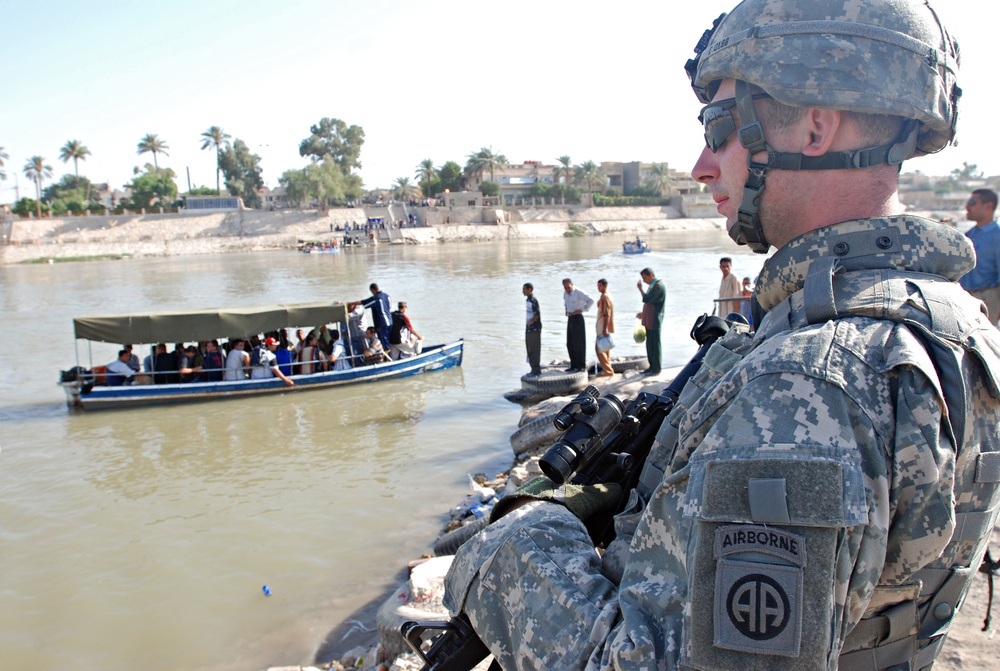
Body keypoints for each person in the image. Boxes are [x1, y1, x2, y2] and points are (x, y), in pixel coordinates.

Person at [443, 3, 1000, 671]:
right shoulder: (955, 322)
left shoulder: (809, 380)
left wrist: (518, 541)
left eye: (720, 129)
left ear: (815, 127)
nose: (703, 165)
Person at [959, 188, 1000, 324]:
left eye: (972, 202)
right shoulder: (969, 235)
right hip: (966, 298)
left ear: (988, 206)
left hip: (988, 300)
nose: (967, 207)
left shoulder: (997, 236)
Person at [635, 266, 665, 375]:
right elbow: (650, 304)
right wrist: (643, 314)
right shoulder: (652, 286)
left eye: (645, 278)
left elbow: (646, 299)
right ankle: (651, 366)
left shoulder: (658, 286)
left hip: (654, 320)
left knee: (655, 344)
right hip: (649, 320)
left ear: (651, 275)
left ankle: (656, 368)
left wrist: (640, 289)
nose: (643, 280)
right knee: (650, 344)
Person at [562, 277, 594, 372]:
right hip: (570, 318)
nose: (567, 289)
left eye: (568, 287)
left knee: (579, 343)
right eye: (565, 288)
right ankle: (573, 364)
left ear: (572, 284)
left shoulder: (578, 292)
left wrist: (582, 309)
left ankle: (581, 365)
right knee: (570, 343)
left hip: (578, 318)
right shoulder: (565, 294)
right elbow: (566, 304)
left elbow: (591, 300)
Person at [358, 283, 392, 349]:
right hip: (390, 321)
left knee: (383, 341)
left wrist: (349, 303)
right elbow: (389, 307)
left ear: (373, 290)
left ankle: (387, 356)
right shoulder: (387, 296)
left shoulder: (376, 298)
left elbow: (363, 302)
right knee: (387, 339)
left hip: (382, 323)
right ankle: (387, 352)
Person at [594, 278, 615, 377]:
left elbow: (607, 314)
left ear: (605, 286)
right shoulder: (604, 296)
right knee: (605, 348)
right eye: (598, 286)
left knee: (599, 349)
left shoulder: (606, 297)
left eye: (600, 286)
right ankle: (608, 369)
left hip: (602, 326)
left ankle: (608, 370)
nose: (598, 288)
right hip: (602, 325)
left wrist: (605, 328)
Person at [523, 282, 542, 377]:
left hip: (534, 329)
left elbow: (537, 314)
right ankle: (532, 369)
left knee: (534, 349)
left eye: (524, 289)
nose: (523, 291)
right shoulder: (528, 300)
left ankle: (536, 369)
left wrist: (530, 323)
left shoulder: (533, 300)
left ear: (530, 289)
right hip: (529, 329)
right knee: (529, 349)